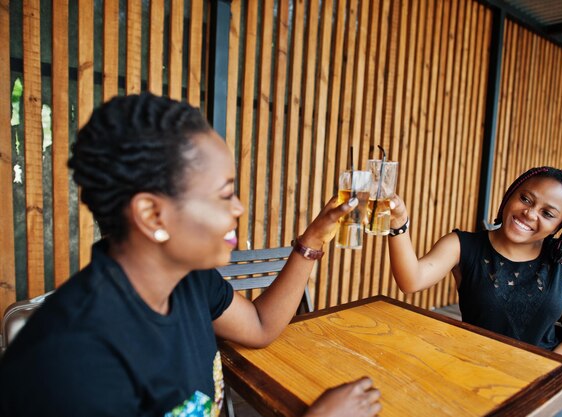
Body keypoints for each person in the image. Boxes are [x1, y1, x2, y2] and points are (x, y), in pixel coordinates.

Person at [0, 93, 381, 417]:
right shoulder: (70, 365)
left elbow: (261, 325)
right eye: (224, 194)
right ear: (152, 215)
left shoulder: (187, 279)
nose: (239, 208)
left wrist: (313, 238)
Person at [386, 166, 562, 417]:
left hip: (546, 381)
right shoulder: (463, 245)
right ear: (510, 195)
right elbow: (411, 280)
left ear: (560, 225)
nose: (529, 213)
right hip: (476, 376)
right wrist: (398, 222)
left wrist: (542, 374)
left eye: (547, 213)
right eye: (525, 199)